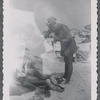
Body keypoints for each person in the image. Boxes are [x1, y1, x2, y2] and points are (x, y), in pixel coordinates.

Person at [43, 17, 77, 84]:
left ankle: (67, 80)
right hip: (65, 46)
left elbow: (67, 39)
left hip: (69, 45)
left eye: (50, 25)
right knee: (66, 61)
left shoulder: (62, 27)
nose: (50, 27)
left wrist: (55, 38)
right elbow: (48, 32)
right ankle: (65, 76)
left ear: (54, 23)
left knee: (69, 63)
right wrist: (46, 35)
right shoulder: (54, 27)